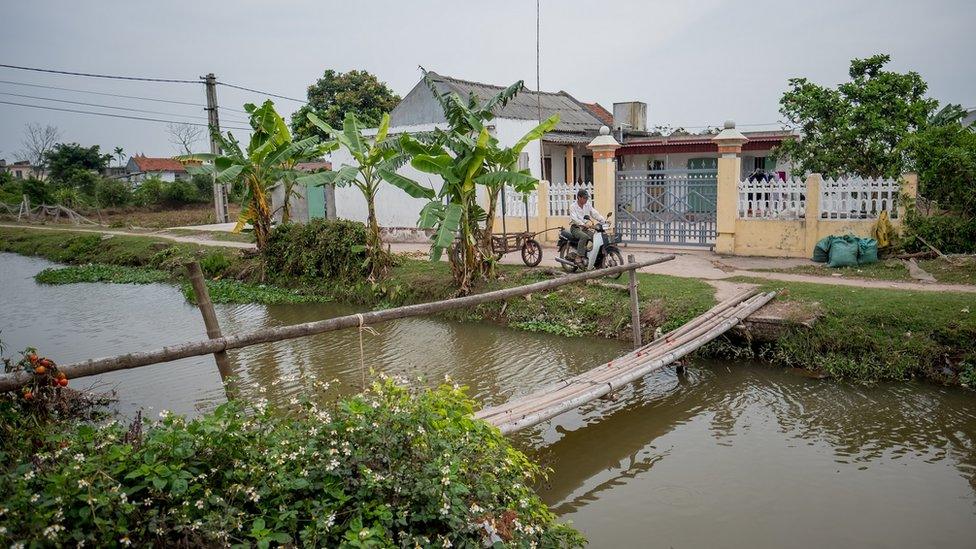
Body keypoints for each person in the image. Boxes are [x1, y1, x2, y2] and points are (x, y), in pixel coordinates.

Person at [568, 189, 605, 266]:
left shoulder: (587, 205)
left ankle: (592, 258)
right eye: (584, 198)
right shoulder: (573, 207)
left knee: (595, 237)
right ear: (579, 197)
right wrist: (582, 224)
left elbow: (595, 213)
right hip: (576, 228)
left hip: (585, 228)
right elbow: (574, 219)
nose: (586, 199)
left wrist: (603, 221)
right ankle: (578, 256)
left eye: (587, 198)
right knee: (584, 237)